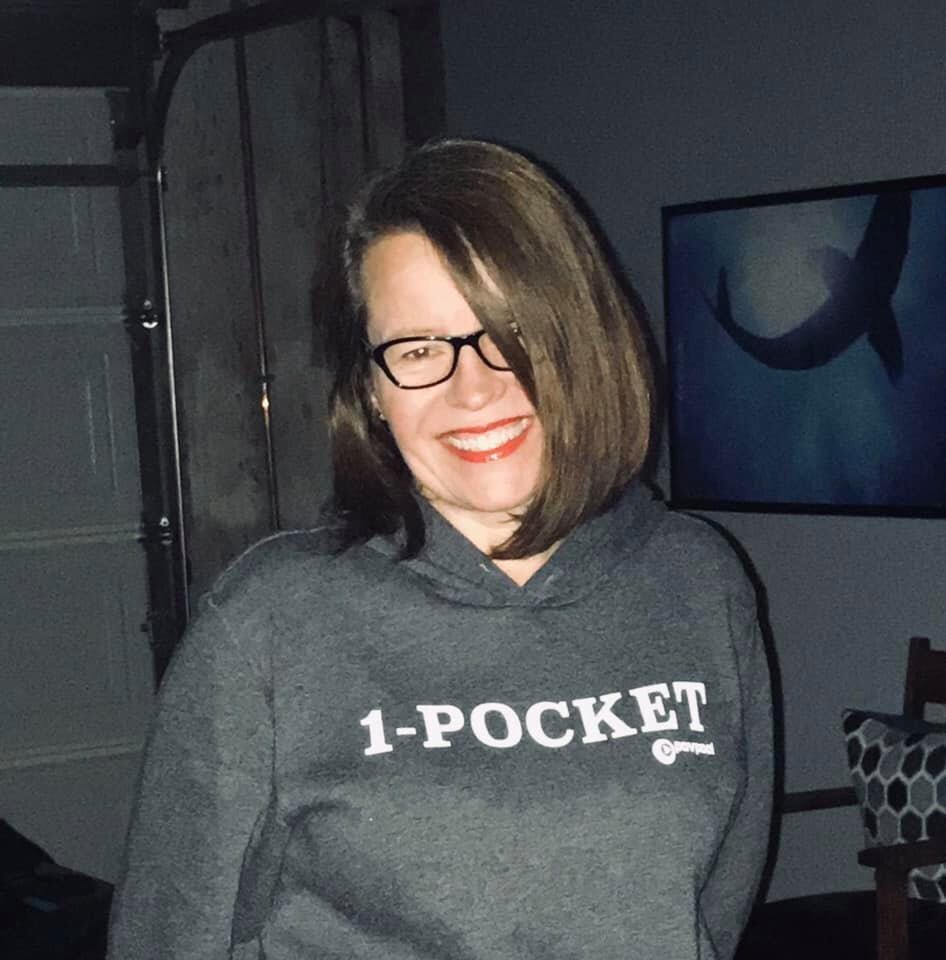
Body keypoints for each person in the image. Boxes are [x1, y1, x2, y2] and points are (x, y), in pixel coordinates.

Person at [107, 138, 772, 960]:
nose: (475, 388)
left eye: (513, 331)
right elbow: (167, 935)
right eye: (419, 349)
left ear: (587, 343)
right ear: (372, 391)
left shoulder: (698, 582)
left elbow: (715, 909)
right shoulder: (271, 624)